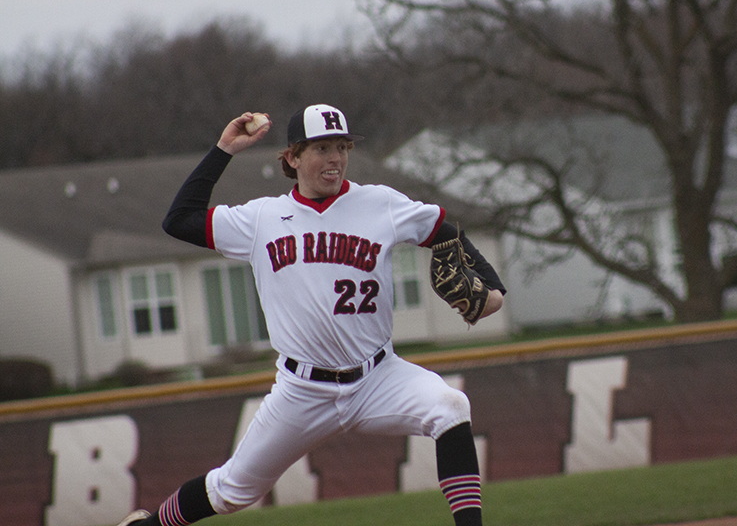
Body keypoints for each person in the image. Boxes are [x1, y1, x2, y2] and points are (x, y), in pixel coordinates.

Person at [117, 104, 505, 526]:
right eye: (321, 147)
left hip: (378, 376)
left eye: (342, 146)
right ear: (293, 157)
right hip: (302, 390)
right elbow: (179, 220)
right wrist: (224, 149)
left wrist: (494, 288)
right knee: (231, 491)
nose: (335, 158)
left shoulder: (380, 204)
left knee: (450, 406)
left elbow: (445, 230)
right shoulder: (261, 219)